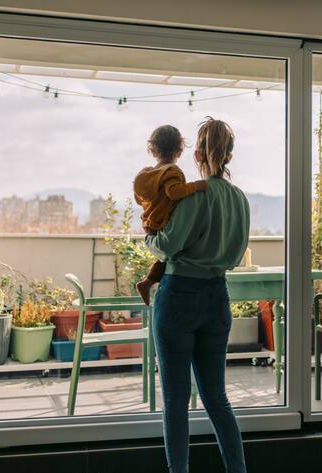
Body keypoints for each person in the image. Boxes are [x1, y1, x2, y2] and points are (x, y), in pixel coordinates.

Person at [145, 117, 249, 473]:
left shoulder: (195, 193)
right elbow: (235, 255)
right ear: (229, 155)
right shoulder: (239, 199)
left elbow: (167, 245)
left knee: (176, 399)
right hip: (217, 297)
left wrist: (149, 238)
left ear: (198, 154)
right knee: (217, 398)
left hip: (179, 298)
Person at [134, 125, 208, 306]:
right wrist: (196, 186)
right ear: (179, 151)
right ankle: (147, 283)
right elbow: (174, 192)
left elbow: (139, 199)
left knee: (164, 258)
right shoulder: (171, 171)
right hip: (162, 222)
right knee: (176, 254)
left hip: (150, 222)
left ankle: (147, 283)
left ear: (153, 149)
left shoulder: (148, 174)